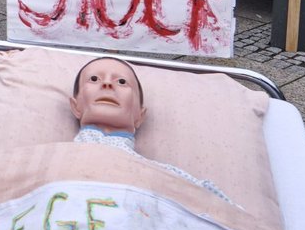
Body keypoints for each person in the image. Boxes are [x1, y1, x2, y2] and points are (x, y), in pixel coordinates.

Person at [69, 57, 235, 205]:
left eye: (121, 82)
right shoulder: (48, 157)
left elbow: (230, 219)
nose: (107, 84)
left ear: (140, 116)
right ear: (75, 106)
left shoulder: (168, 177)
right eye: (94, 79)